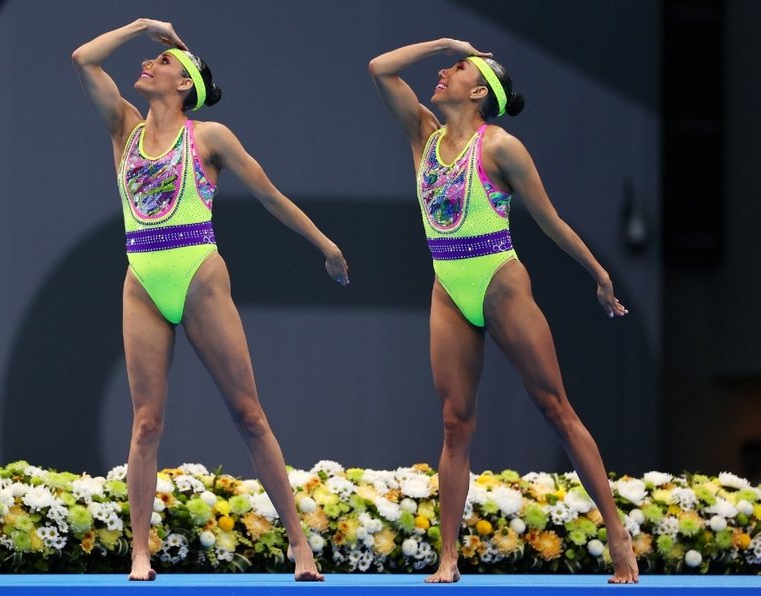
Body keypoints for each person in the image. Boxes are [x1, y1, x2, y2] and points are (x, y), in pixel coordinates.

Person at [72, 18, 348, 581]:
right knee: (146, 423)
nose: (149, 64)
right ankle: (141, 552)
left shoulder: (209, 137)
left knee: (248, 414)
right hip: (142, 281)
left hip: (198, 274)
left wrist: (326, 245)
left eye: (164, 62)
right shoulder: (123, 126)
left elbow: (269, 195)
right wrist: (145, 26)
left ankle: (299, 544)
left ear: (184, 85)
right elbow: (84, 58)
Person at [369, 38, 639, 584]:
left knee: (556, 409)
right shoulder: (424, 133)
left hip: (499, 279)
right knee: (454, 422)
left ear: (480, 94)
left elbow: (551, 220)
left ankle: (617, 535)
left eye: (458, 68)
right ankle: (448, 556)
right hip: (448, 286)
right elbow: (380, 68)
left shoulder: (501, 148)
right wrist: (447, 42)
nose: (444, 71)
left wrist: (599, 273)